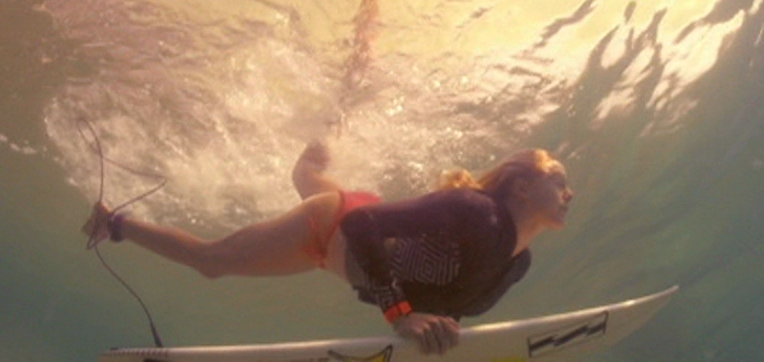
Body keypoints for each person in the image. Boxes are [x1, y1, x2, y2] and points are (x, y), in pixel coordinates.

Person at [83, 141, 574, 355]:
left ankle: (306, 164)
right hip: (332, 225)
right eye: (559, 182)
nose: (569, 194)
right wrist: (400, 315)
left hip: (355, 241)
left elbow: (449, 296)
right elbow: (361, 223)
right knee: (212, 262)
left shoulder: (517, 264)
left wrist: (441, 328)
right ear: (522, 188)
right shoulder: (473, 210)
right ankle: (114, 223)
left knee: (306, 178)